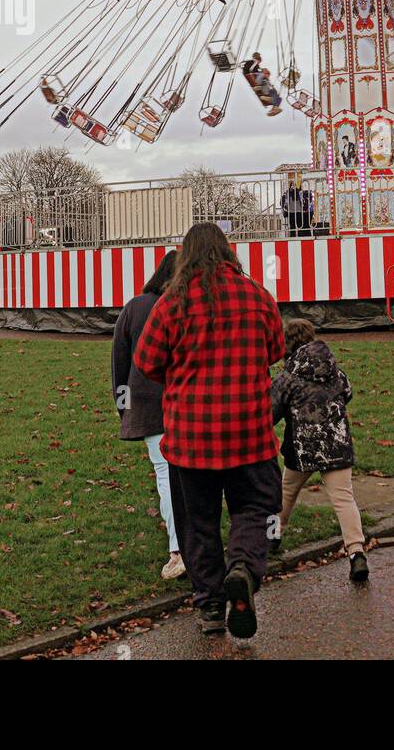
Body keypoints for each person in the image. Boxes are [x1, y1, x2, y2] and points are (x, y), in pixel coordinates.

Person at [133, 222, 285, 639]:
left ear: (186, 257)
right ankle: (243, 568)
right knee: (256, 509)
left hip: (190, 439)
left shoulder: (171, 303)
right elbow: (276, 349)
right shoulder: (257, 296)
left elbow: (146, 361)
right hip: (251, 434)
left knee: (197, 524)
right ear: (228, 252)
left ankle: (211, 607)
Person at [271, 319, 368, 582]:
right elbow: (347, 393)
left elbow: (271, 412)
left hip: (301, 448)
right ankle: (356, 552)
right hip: (336, 444)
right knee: (344, 499)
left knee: (284, 493)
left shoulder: (287, 377)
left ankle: (272, 536)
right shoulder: (334, 369)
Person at [111, 250, 184, 580]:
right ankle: (194, 545)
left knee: (166, 473)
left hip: (149, 403)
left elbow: (120, 362)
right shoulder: (188, 306)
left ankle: (178, 550)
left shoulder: (136, 307)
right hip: (189, 402)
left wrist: (123, 405)